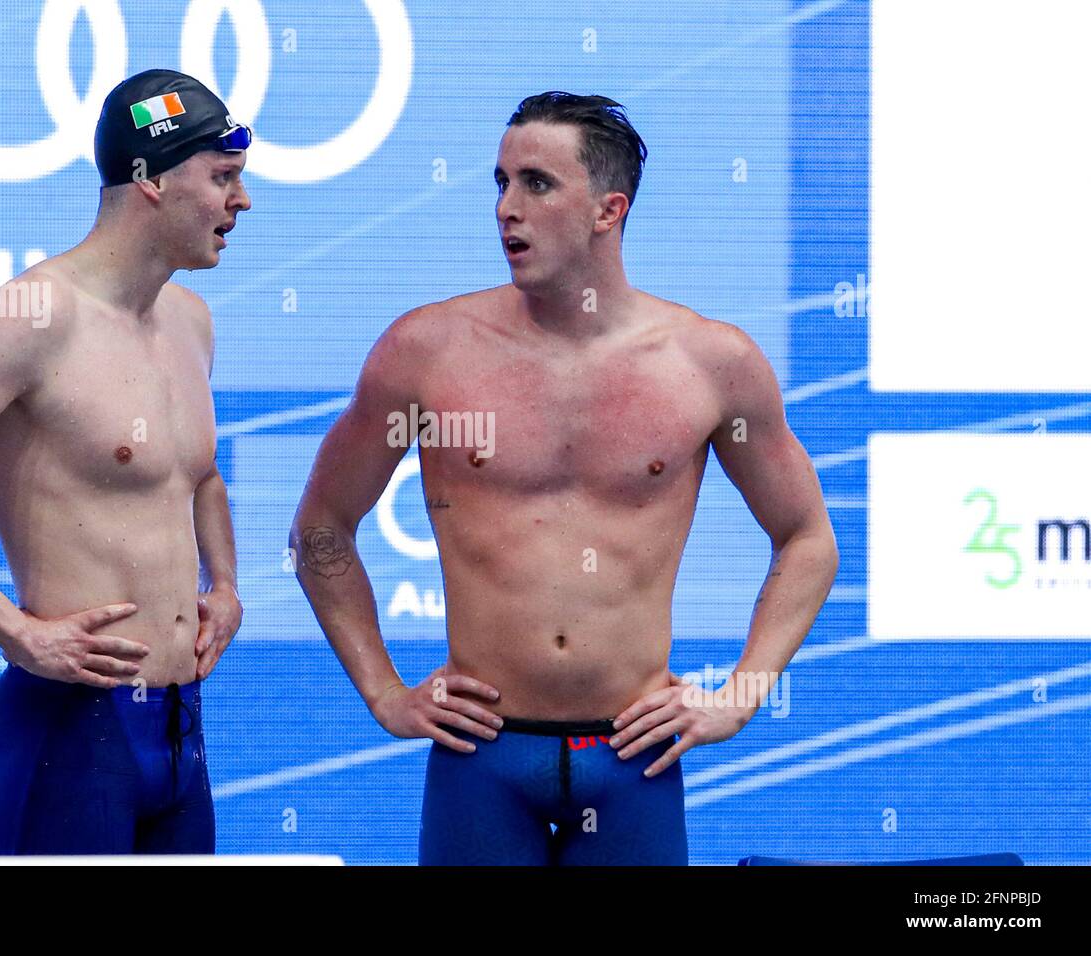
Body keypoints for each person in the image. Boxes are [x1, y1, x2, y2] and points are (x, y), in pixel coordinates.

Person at [290, 91, 838, 865]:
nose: (506, 208)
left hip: (633, 759)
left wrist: (741, 694)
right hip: (482, 759)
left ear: (608, 210)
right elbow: (320, 528)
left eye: (537, 184)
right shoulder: (427, 352)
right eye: (500, 182)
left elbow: (808, 539)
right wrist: (383, 690)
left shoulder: (710, 364)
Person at [0, 69, 251, 854]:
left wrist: (224, 586)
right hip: (75, 728)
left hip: (180, 728)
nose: (242, 203)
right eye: (223, 179)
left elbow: (196, 473)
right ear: (152, 183)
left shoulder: (190, 322)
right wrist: (15, 632)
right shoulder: (32, 317)